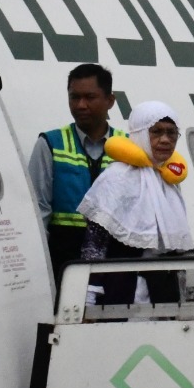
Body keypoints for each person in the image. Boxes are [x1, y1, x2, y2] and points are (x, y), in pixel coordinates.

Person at [75, 101, 192, 306]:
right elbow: (95, 244)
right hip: (121, 291)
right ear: (139, 134)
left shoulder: (168, 180)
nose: (165, 140)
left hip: (163, 294)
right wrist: (88, 297)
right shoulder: (116, 178)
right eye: (156, 132)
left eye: (172, 133)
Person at [28, 63, 125, 289]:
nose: (81, 105)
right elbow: (38, 210)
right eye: (74, 97)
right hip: (66, 259)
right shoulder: (50, 144)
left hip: (115, 259)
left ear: (110, 101)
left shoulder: (128, 147)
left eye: (90, 97)